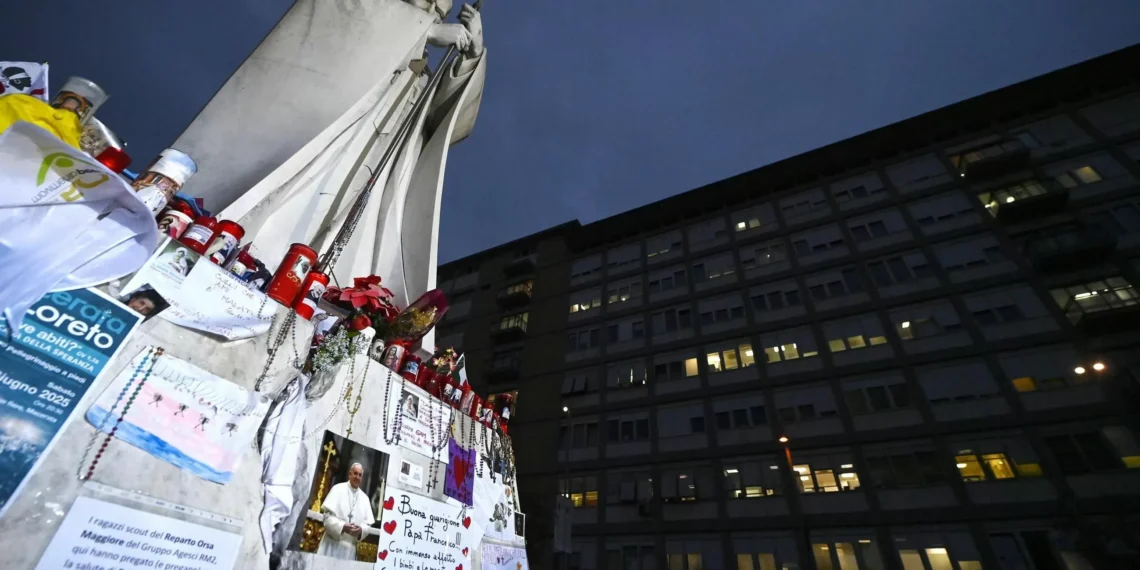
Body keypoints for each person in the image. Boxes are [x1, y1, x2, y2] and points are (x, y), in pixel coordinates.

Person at [317, 462, 375, 560]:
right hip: (331, 545)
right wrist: (342, 526)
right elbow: (326, 518)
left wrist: (361, 530)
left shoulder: (365, 499)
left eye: (360, 475)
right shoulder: (337, 489)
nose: (357, 477)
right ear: (350, 474)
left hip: (350, 549)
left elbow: (367, 526)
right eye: (355, 473)